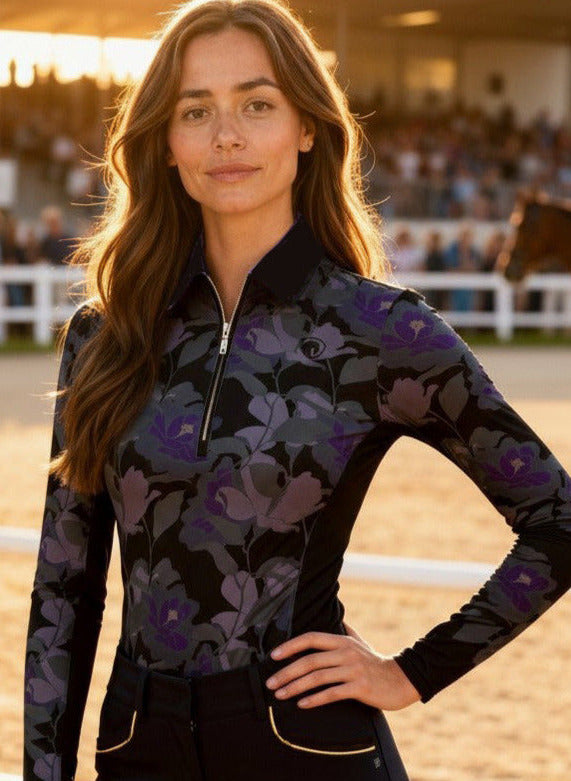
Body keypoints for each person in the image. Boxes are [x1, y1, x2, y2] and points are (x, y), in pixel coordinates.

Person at [23, 2, 571, 780]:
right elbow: (63, 589)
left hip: (305, 748)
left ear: (306, 127)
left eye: (257, 103)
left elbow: (557, 519)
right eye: (195, 110)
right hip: (137, 747)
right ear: (165, 141)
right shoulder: (103, 334)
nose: (227, 136)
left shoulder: (378, 329)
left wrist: (413, 672)